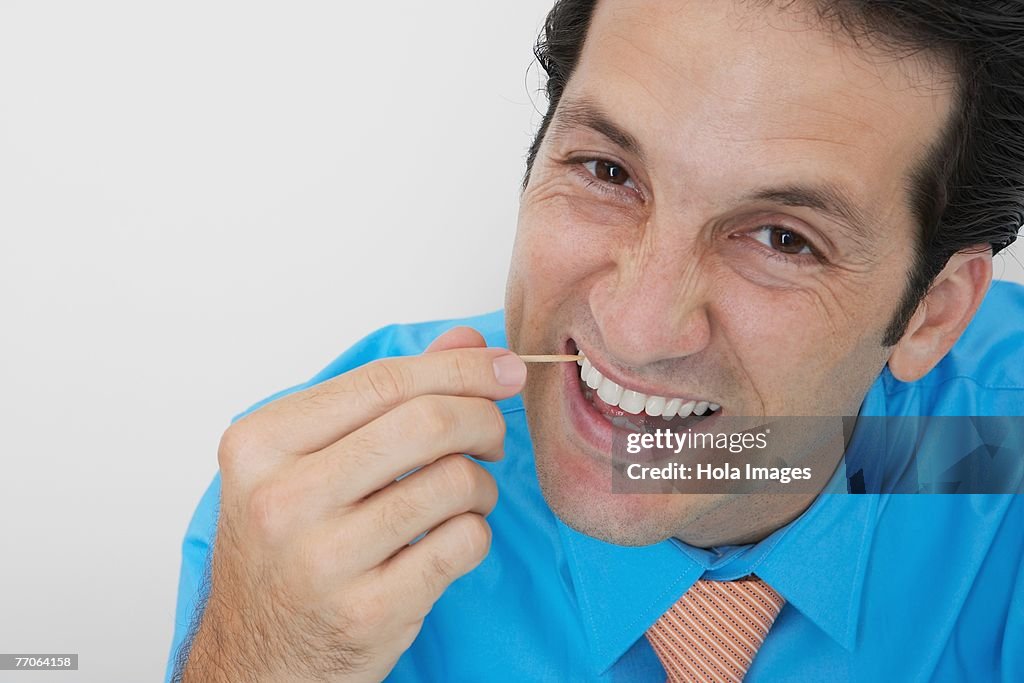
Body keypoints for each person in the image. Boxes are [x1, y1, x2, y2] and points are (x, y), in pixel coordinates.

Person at [167, 1, 1024, 680]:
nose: (635, 329)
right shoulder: (330, 504)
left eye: (782, 239)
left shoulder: (987, 454)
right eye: (607, 171)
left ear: (931, 315)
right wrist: (258, 661)